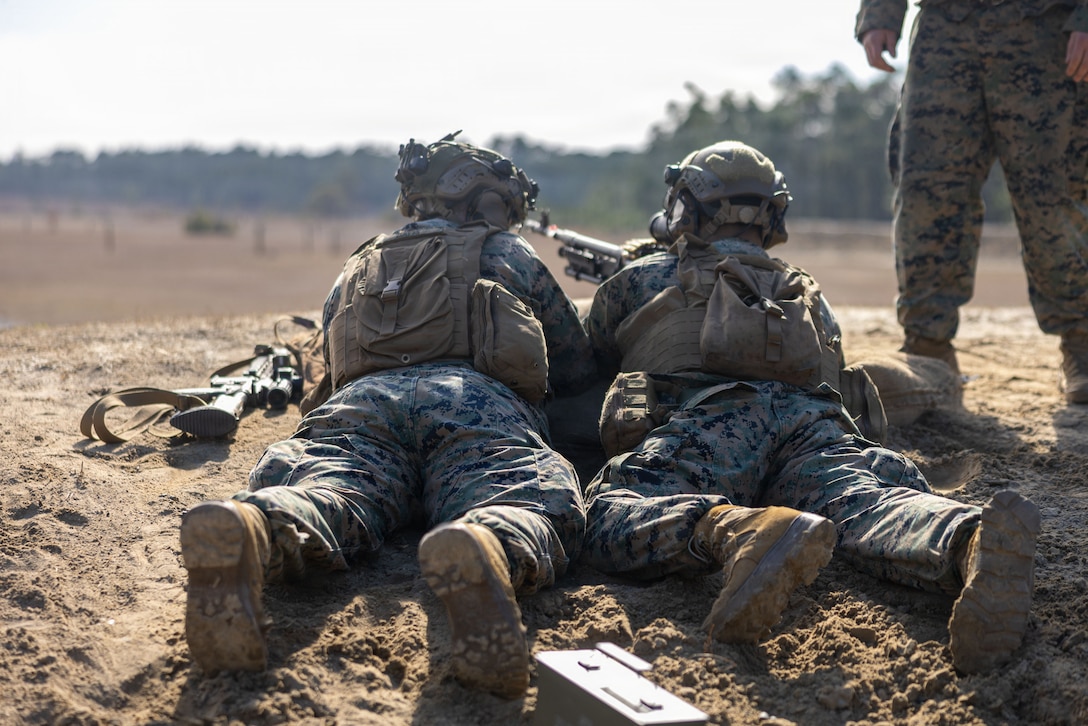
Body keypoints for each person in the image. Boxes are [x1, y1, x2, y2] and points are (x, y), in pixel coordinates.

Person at [580, 140, 1041, 674]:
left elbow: (579, 369)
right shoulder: (806, 293)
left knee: (604, 517)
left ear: (687, 206)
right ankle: (966, 537)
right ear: (774, 215)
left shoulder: (639, 280)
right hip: (815, 427)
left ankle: (735, 530)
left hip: (709, 426)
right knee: (864, 504)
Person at [178, 133, 596, 699]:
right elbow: (574, 366)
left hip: (362, 406)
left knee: (330, 488)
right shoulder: (505, 252)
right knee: (521, 493)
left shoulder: (358, 264)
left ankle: (259, 527)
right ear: (489, 200)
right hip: (475, 405)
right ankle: (489, 545)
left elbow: (326, 363)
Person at [855, 0, 1088, 402]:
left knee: (1056, 196)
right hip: (946, 28)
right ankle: (928, 349)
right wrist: (880, 13)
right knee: (928, 191)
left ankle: (1082, 343)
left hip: (1046, 27)